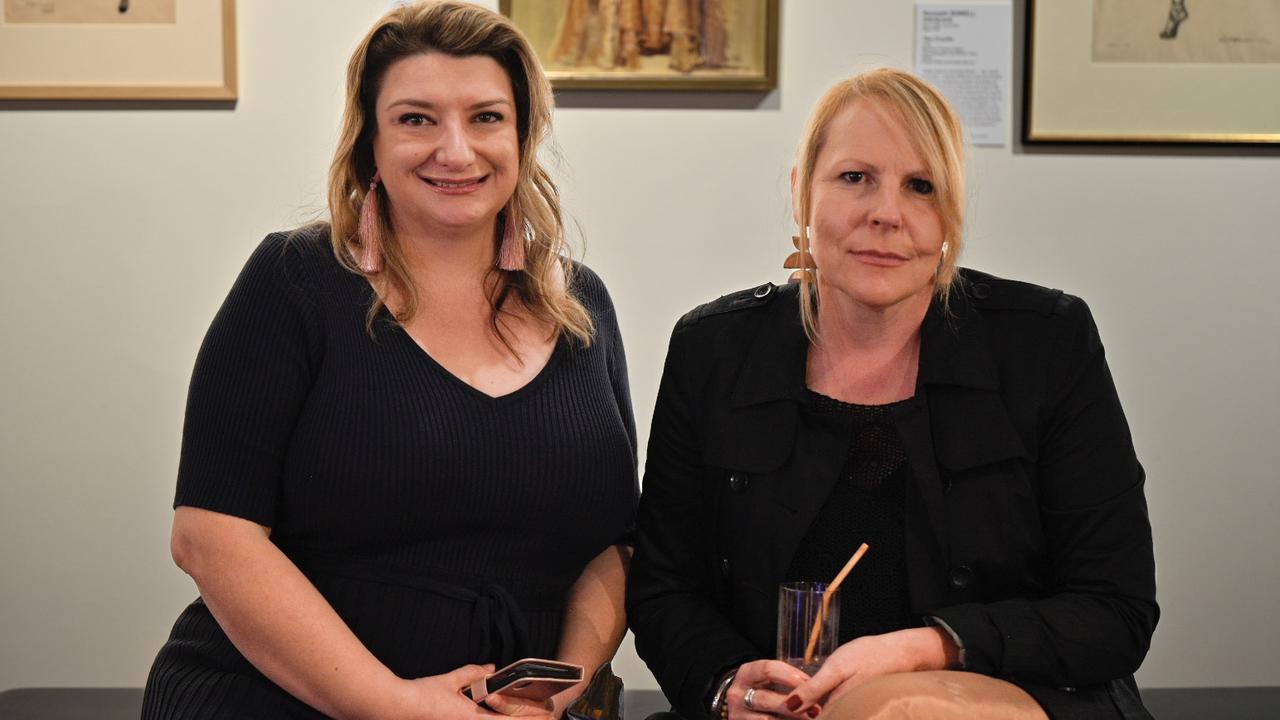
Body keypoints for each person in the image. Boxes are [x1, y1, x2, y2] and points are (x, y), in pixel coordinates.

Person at [141, 2, 637, 718]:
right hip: (273, 700)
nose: (457, 150)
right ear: (369, 141)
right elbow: (210, 536)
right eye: (416, 119)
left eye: (487, 117)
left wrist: (559, 682)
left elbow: (615, 544)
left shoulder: (582, 305)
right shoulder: (296, 281)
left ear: (525, 135)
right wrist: (393, 705)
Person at [627, 68, 1157, 720]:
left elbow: (1114, 610)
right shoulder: (713, 348)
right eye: (855, 178)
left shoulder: (1046, 343)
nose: (887, 212)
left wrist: (927, 649)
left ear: (950, 215)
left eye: (921, 187)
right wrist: (725, 685)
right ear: (801, 193)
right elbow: (664, 587)